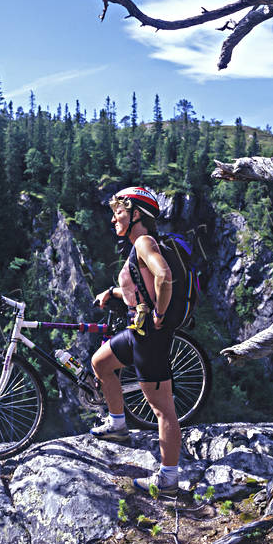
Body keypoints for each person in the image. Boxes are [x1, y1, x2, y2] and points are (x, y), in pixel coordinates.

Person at [91, 186, 181, 495]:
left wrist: (160, 313)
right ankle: (117, 424)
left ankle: (168, 478)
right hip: (136, 331)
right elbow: (138, 288)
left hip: (150, 336)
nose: (114, 219)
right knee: (101, 363)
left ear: (136, 214)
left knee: (162, 409)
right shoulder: (135, 246)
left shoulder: (144, 241)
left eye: (119, 212)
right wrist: (111, 293)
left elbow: (164, 276)